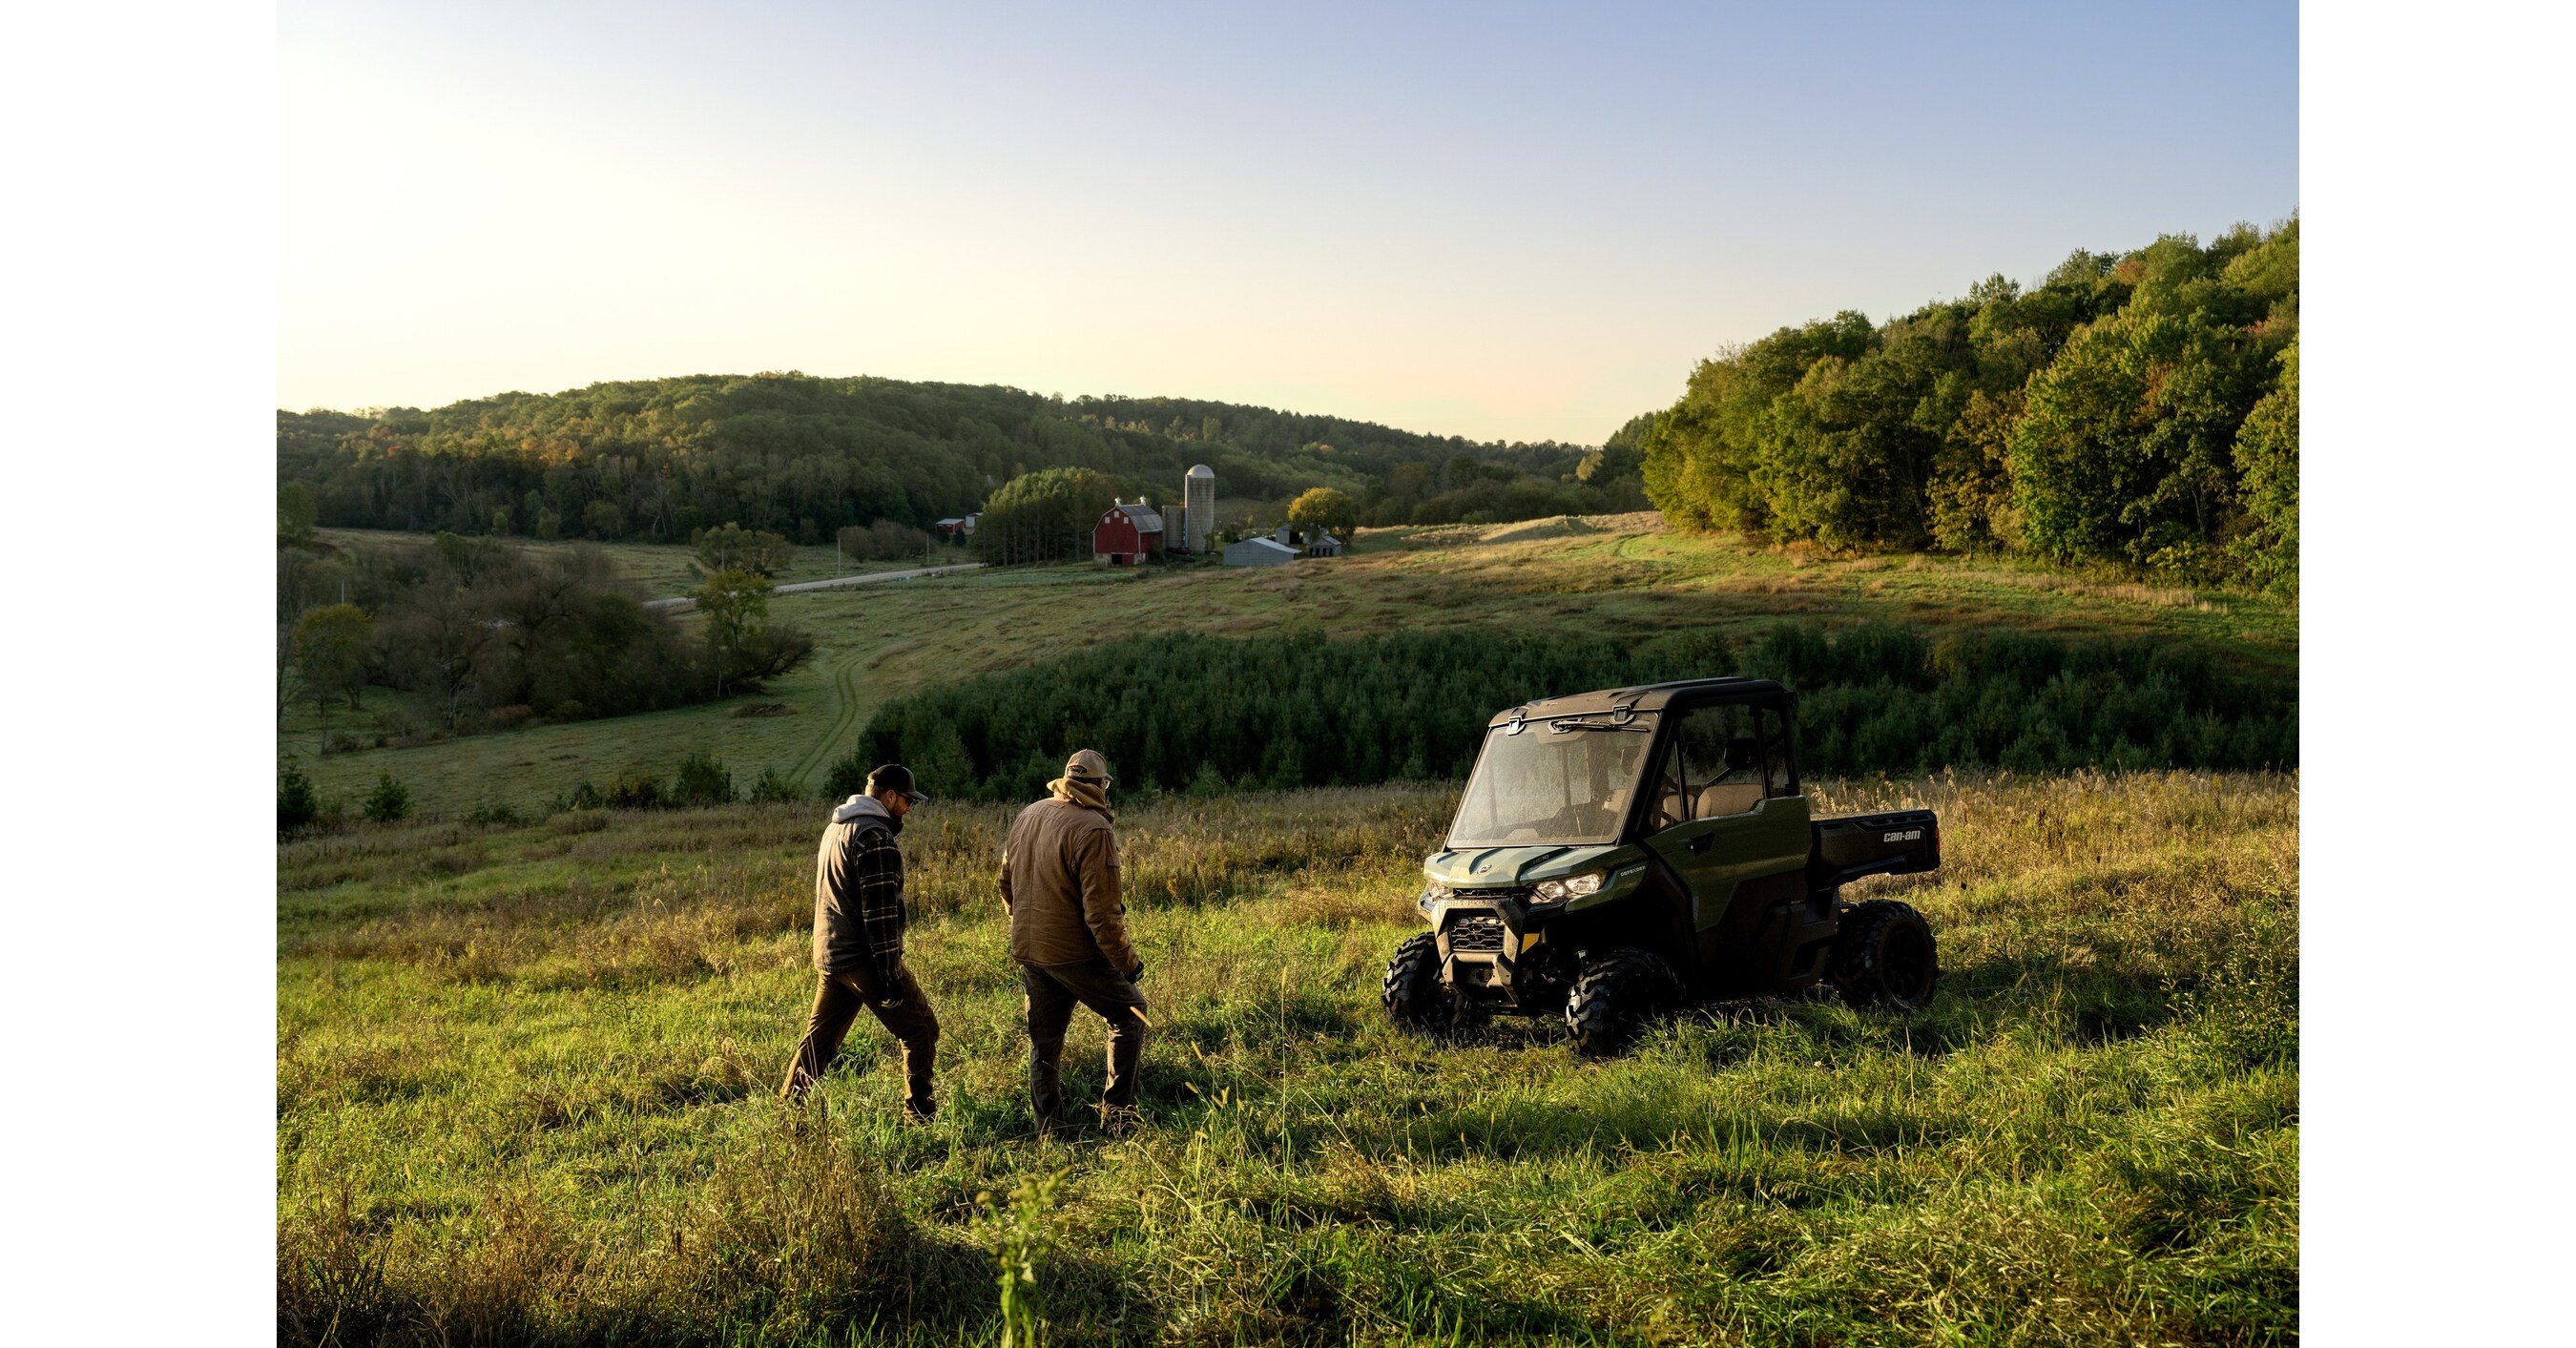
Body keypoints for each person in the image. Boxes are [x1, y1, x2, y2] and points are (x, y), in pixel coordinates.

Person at [998, 748, 1148, 1136]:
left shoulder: (1029, 814)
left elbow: (1005, 884)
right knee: (1131, 1015)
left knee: (1044, 1044)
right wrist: (1128, 964)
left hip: (1030, 951)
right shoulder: (1094, 829)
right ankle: (1119, 1119)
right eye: (1106, 784)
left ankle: (1050, 1130)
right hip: (1074, 954)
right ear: (1100, 785)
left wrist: (1028, 924)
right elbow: (1103, 916)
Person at [779, 762, 940, 1118]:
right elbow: (879, 916)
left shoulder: (836, 828)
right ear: (890, 796)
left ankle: (789, 1115)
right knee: (921, 1030)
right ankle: (921, 1118)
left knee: (818, 1044)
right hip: (864, 960)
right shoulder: (875, 838)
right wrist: (890, 976)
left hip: (832, 954)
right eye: (908, 801)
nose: (910, 809)